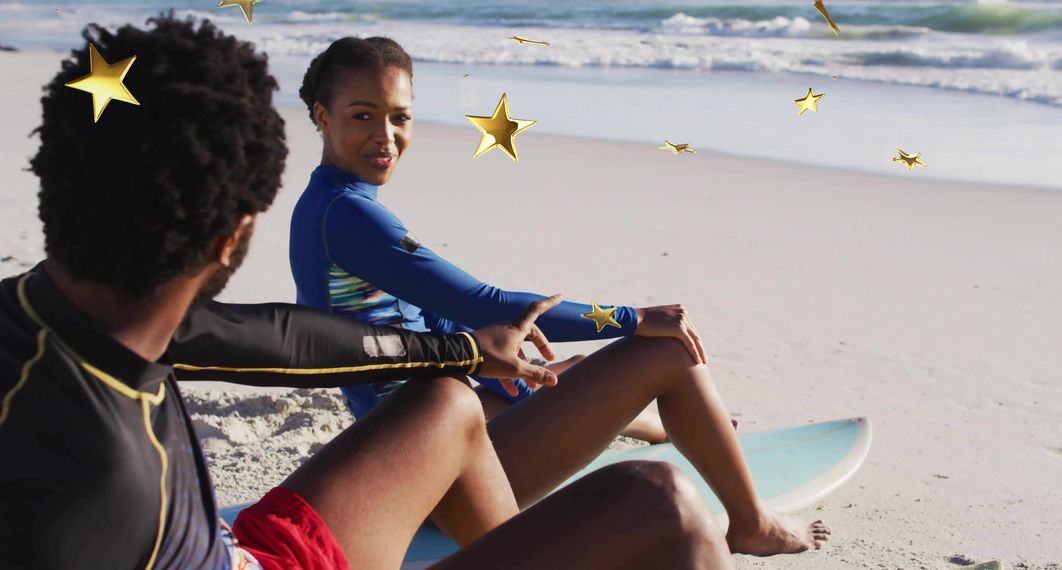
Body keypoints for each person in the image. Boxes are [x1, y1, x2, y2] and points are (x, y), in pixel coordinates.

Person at [0, 16, 737, 570]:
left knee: (447, 398)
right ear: (233, 238)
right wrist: (625, 319)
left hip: (254, 549)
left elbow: (281, 337)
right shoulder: (102, 481)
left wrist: (455, 351)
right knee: (663, 504)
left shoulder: (70, 312)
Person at [290, 36, 831, 557]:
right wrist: (632, 318)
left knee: (557, 370)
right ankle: (753, 524)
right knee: (665, 351)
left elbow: (435, 316)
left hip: (424, 443)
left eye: (399, 117)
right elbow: (484, 303)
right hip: (441, 477)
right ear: (322, 116)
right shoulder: (350, 216)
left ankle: (656, 423)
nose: (386, 136)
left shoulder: (327, 205)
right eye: (363, 115)